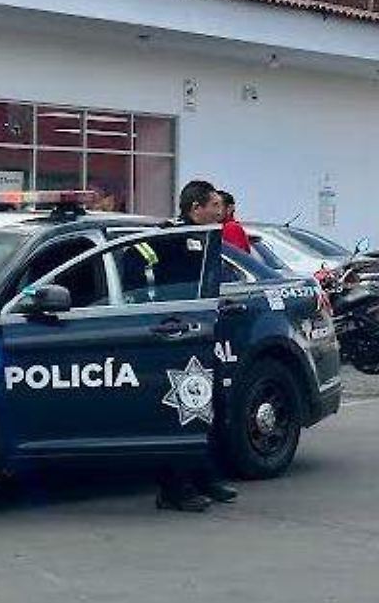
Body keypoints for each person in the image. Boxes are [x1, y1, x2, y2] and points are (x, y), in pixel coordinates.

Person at [155, 180, 238, 511]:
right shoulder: (173, 239)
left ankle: (206, 477)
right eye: (215, 205)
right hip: (178, 335)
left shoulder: (210, 238)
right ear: (196, 209)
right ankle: (174, 489)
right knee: (183, 412)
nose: (222, 211)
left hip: (204, 335)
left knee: (211, 409)